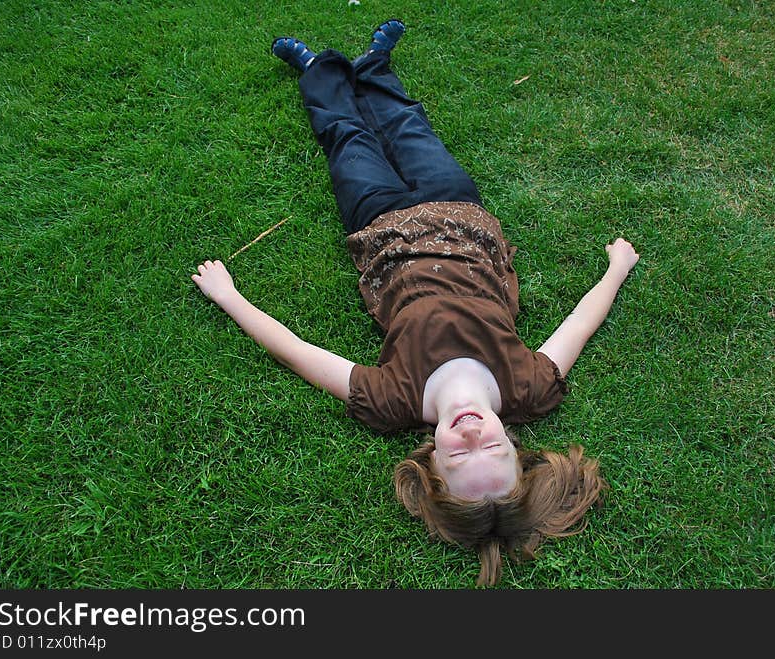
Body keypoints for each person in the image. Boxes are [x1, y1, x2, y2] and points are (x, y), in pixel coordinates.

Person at [192, 20, 641, 586]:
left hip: (381, 230)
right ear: (517, 448)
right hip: (460, 216)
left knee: (349, 139)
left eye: (458, 459)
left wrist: (230, 297)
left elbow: (298, 351)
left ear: (430, 463)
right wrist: (616, 271)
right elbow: (579, 324)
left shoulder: (393, 401)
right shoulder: (528, 387)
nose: (473, 437)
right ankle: (375, 66)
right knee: (408, 126)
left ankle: (315, 69)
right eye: (493, 453)